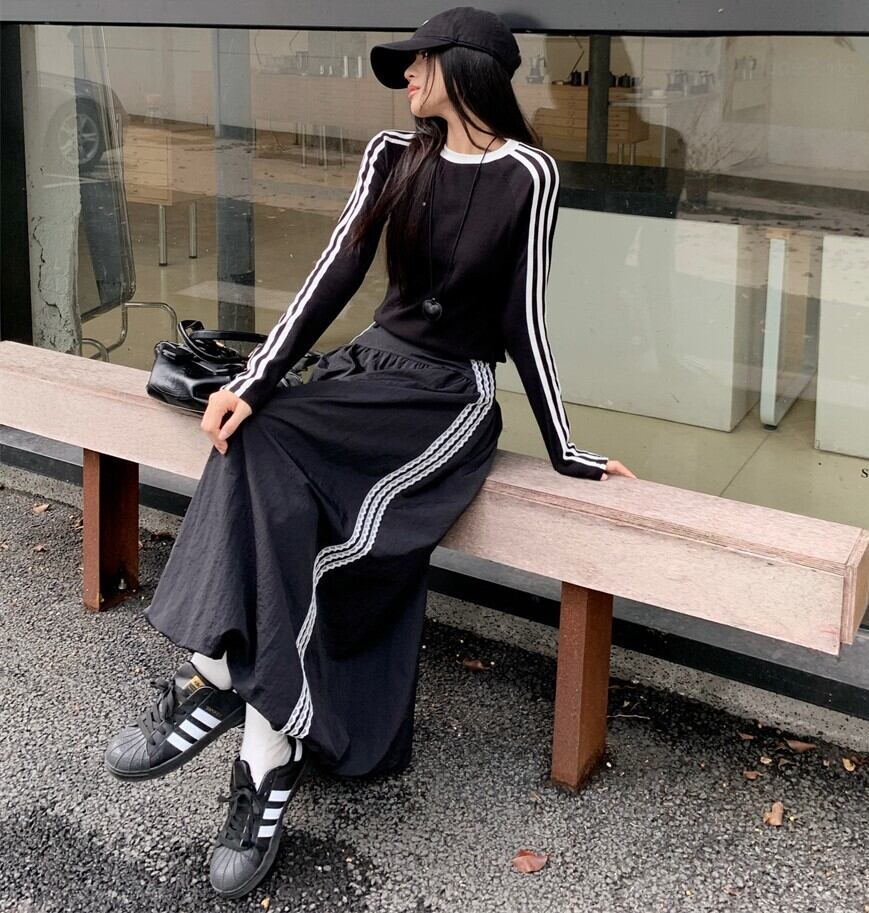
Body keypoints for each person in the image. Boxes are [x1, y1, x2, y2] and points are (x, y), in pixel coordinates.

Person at [103, 6, 637, 900]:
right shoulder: (394, 154)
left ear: (464, 69)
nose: (407, 77)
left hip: (447, 399)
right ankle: (249, 723)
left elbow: (523, 321)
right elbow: (335, 272)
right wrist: (255, 381)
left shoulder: (528, 173)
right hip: (367, 372)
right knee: (252, 435)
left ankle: (229, 698)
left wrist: (567, 448)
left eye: (419, 63)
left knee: (325, 534)